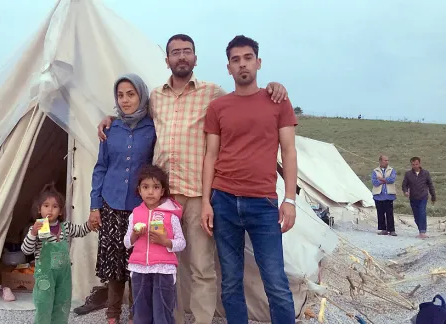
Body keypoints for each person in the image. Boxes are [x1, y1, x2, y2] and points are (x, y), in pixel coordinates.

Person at [97, 34, 289, 324]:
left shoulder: (213, 93)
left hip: (199, 194)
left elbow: (245, 100)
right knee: (167, 265)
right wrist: (109, 118)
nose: (181, 57)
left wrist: (273, 87)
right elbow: (132, 113)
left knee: (202, 267)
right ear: (168, 60)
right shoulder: (156, 97)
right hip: (162, 197)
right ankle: (168, 318)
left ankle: (201, 320)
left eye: (187, 52)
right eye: (176, 53)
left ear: (195, 58)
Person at [201, 35, 297, 324]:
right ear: (228, 68)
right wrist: (206, 202)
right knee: (230, 281)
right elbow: (211, 155)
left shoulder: (277, 101)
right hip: (224, 200)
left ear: (258, 62)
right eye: (235, 59)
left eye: (247, 58)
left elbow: (289, 151)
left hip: (263, 202)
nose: (242, 64)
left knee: (276, 283)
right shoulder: (218, 108)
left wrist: (289, 199)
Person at [88, 73, 156, 324]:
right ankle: (112, 314)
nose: (125, 100)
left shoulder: (153, 127)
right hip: (111, 204)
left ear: (141, 95)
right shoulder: (110, 129)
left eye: (131, 94)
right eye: (120, 95)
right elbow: (100, 168)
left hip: (140, 206)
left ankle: (136, 315)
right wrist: (95, 206)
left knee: (137, 264)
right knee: (115, 264)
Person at [21, 183, 94, 324]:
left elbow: (80, 231)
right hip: (45, 277)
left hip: (63, 276)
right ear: (39, 209)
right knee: (44, 305)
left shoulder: (65, 227)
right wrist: (33, 233)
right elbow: (26, 250)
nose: (50, 210)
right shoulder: (38, 228)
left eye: (55, 206)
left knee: (62, 304)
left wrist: (90, 225)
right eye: (46, 205)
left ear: (60, 211)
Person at [124, 165, 186, 324]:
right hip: (139, 268)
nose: (150, 192)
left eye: (156, 187)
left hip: (164, 269)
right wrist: (134, 235)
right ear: (139, 190)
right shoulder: (135, 214)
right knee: (141, 311)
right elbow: (126, 243)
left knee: (162, 311)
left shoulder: (170, 216)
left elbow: (181, 243)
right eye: (145, 187)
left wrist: (165, 242)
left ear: (162, 191)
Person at [401, 157, 437, 239]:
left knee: (422, 213)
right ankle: (420, 230)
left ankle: (422, 232)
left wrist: (433, 196)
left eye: (416, 164)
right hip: (413, 198)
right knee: (416, 216)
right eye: (413, 164)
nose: (415, 166)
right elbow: (404, 185)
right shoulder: (408, 174)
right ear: (411, 165)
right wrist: (405, 191)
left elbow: (430, 185)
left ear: (419, 164)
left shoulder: (425, 173)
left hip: (423, 197)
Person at [371, 155, 398, 236]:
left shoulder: (391, 170)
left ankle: (391, 230)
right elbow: (374, 182)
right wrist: (385, 180)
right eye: (385, 160)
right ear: (380, 161)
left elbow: (392, 180)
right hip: (378, 196)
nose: (387, 162)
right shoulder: (375, 171)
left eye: (387, 160)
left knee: (389, 213)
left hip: (388, 195)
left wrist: (381, 179)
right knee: (380, 213)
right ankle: (383, 229)